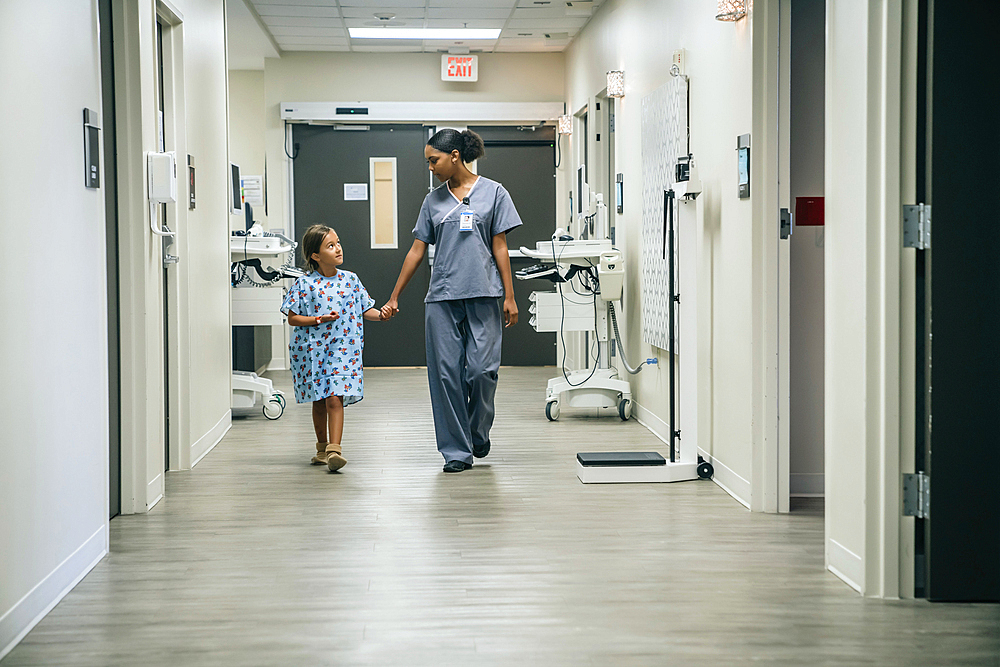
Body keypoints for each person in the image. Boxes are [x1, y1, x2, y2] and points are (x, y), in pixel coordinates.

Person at [382, 128, 522, 473]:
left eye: (434, 160)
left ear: (455, 156)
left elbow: (500, 246)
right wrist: (395, 295)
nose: (430, 167)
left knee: (482, 371)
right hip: (442, 297)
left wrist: (510, 295)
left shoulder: (494, 193)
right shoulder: (433, 201)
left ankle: (477, 431)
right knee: (447, 377)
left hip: (485, 294)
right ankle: (456, 452)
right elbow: (417, 251)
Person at [280, 225, 391, 472]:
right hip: (312, 353)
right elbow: (293, 318)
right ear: (315, 256)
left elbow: (366, 309)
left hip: (343, 350)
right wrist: (319, 319)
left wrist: (381, 315)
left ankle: (334, 450)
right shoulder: (305, 284)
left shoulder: (351, 280)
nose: (338, 248)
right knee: (319, 401)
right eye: (330, 246)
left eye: (338, 242)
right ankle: (321, 449)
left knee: (334, 397)